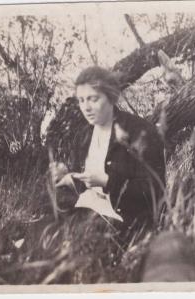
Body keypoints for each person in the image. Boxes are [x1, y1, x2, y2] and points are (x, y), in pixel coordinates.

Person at [52, 66, 166, 241]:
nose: (86, 107)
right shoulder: (83, 135)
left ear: (111, 97)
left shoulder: (139, 131)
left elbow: (154, 190)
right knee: (42, 226)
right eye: (81, 100)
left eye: (93, 99)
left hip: (122, 222)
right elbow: (85, 184)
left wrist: (107, 181)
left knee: (67, 241)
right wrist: (70, 179)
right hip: (85, 211)